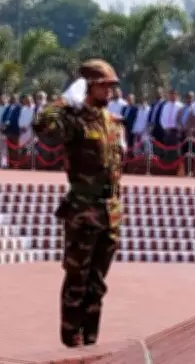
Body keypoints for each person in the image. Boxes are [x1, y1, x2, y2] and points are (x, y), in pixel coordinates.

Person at [33, 59, 123, 348]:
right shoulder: (73, 120)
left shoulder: (112, 122)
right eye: (103, 86)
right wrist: (61, 102)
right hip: (83, 213)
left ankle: (91, 339)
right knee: (77, 281)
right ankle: (72, 340)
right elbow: (42, 127)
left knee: (97, 284)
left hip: (109, 213)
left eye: (111, 86)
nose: (109, 91)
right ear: (87, 87)